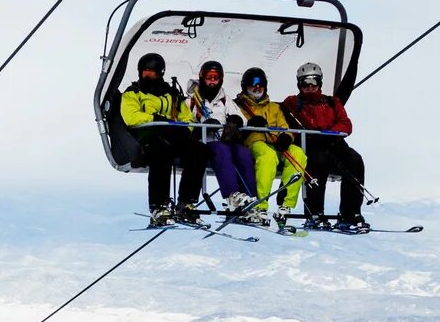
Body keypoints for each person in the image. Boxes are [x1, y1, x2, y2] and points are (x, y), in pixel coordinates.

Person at [118, 54, 204, 225]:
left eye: (151, 71)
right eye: (145, 71)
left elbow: (187, 118)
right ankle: (158, 206)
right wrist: (154, 119)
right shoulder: (133, 93)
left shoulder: (172, 95)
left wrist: (184, 130)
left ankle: (186, 203)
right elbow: (131, 117)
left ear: (160, 72)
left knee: (199, 150)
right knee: (161, 150)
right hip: (147, 137)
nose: (147, 74)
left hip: (171, 135)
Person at [282, 61, 366, 229]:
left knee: (355, 161)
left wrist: (331, 135)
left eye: (313, 82)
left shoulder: (332, 102)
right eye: (305, 83)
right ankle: (315, 213)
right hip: (311, 145)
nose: (309, 87)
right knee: (317, 162)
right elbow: (286, 121)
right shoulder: (292, 103)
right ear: (299, 84)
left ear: (319, 83)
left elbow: (345, 123)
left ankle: (350, 213)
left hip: (334, 144)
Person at [233, 67, 304, 222]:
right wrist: (250, 124)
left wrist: (286, 138)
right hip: (254, 143)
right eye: (253, 84)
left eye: (261, 84)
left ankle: (285, 203)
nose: (257, 87)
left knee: (298, 154)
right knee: (268, 156)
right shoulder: (239, 106)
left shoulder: (274, 108)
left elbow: (285, 128)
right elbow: (235, 128)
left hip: (275, 143)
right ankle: (260, 205)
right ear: (245, 86)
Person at [187, 60, 250, 212]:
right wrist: (200, 128)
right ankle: (232, 195)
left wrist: (234, 122)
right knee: (221, 150)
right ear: (202, 77)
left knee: (243, 153)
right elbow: (185, 122)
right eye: (209, 77)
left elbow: (242, 118)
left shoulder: (224, 99)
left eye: (216, 77)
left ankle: (250, 198)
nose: (212, 81)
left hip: (224, 139)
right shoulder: (191, 100)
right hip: (205, 142)